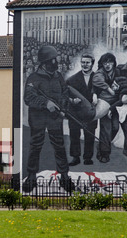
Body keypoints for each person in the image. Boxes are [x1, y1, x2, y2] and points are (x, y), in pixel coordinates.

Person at [22, 45, 74, 193]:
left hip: (54, 118)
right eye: (53, 59)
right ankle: (31, 177)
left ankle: (64, 176)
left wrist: (63, 107)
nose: (56, 61)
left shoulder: (58, 76)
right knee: (35, 146)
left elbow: (64, 93)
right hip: (38, 118)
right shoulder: (33, 78)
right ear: (46, 62)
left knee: (59, 146)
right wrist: (46, 103)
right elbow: (28, 97)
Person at [92, 52, 127, 163]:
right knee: (106, 129)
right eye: (105, 62)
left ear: (113, 63)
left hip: (116, 104)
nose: (108, 65)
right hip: (104, 103)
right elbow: (96, 80)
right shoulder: (100, 73)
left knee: (115, 128)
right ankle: (104, 153)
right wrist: (108, 88)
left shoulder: (118, 71)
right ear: (102, 64)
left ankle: (102, 145)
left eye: (110, 62)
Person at [66, 52, 97, 166]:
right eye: (83, 62)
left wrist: (96, 96)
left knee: (90, 135)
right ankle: (75, 157)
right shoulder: (72, 79)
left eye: (87, 63)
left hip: (91, 112)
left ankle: (88, 157)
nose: (85, 65)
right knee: (74, 135)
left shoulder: (98, 78)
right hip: (75, 112)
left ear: (92, 64)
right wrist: (72, 100)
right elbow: (64, 95)